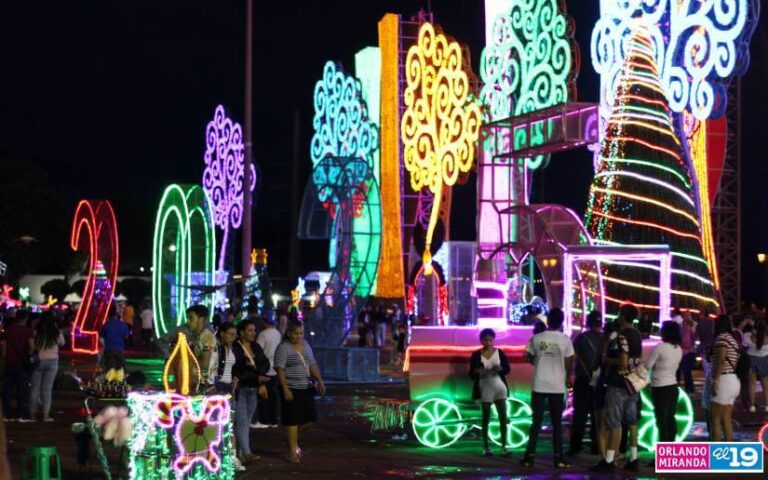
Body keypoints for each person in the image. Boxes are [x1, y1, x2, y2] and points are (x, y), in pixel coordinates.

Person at [592, 303, 643, 472]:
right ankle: (634, 457)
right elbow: (636, 358)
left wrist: (607, 359)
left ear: (622, 316)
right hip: (633, 383)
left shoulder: (622, 336)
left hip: (618, 383)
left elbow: (622, 361)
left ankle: (608, 461)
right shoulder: (637, 334)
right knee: (632, 421)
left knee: (614, 422)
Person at [521, 308, 574, 469]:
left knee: (536, 422)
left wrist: (538, 363)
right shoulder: (565, 340)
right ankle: (558, 458)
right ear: (561, 322)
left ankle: (529, 458)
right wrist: (566, 376)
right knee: (557, 423)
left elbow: (527, 356)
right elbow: (570, 361)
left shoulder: (536, 338)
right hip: (557, 386)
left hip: (539, 384)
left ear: (548, 320)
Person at [275, 322, 326, 463]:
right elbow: (280, 369)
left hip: (306, 387)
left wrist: (320, 380)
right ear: (289, 333)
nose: (299, 336)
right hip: (291, 387)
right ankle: (293, 451)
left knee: (310, 419)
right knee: (292, 420)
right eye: (296, 333)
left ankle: (292, 438)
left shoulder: (306, 345)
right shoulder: (283, 348)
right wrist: (285, 388)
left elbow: (312, 364)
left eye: (301, 333)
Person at [205, 322, 246, 472]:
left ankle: (232, 457)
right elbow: (211, 367)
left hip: (229, 388)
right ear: (221, 333)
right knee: (217, 425)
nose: (233, 337)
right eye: (230, 334)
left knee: (230, 425)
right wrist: (212, 385)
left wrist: (236, 378)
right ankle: (217, 458)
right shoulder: (216, 347)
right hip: (218, 387)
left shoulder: (233, 348)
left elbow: (235, 367)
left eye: (234, 335)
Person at [232, 319, 270, 463]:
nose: (253, 333)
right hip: (240, 388)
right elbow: (237, 370)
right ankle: (247, 452)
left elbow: (265, 363)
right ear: (241, 332)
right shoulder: (236, 348)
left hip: (254, 388)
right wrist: (256, 376)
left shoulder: (256, 346)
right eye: (250, 330)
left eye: (254, 330)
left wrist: (259, 377)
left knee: (246, 422)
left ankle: (242, 453)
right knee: (241, 421)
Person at [469, 328, 511, 456]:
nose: (488, 342)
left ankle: (504, 446)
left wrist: (501, 368)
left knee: (503, 417)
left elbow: (507, 369)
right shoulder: (476, 354)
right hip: (485, 386)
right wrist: (478, 371)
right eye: (485, 340)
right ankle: (486, 447)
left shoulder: (499, 352)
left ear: (493, 340)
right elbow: (471, 373)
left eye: (490, 340)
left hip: (499, 385)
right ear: (481, 340)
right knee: (486, 417)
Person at [569, 310, 604, 456]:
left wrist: (570, 374)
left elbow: (573, 357)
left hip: (583, 379)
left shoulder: (581, 338)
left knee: (580, 415)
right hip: (601, 381)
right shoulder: (605, 339)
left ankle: (576, 446)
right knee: (598, 415)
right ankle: (596, 446)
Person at [158, 305, 216, 383]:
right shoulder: (181, 330)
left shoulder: (208, 336)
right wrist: (169, 357)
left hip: (198, 382)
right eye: (187, 318)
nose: (187, 322)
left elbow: (206, 366)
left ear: (201, 319)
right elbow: (161, 341)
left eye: (191, 318)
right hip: (184, 378)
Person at [646, 321, 683, 443]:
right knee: (670, 419)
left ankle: (662, 453)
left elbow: (647, 366)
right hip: (673, 387)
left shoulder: (660, 348)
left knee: (661, 421)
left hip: (660, 387)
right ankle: (670, 448)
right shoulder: (678, 349)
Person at [709, 315, 741, 442]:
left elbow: (721, 360)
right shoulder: (733, 339)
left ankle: (715, 454)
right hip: (733, 379)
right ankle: (729, 451)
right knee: (726, 419)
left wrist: (716, 380)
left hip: (723, 380)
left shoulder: (721, 338)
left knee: (715, 419)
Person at [29, 311, 65, 422]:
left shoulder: (36, 331)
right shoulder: (56, 332)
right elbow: (62, 343)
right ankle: (45, 415)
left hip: (38, 360)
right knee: (47, 389)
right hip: (52, 361)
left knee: (35, 388)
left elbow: (32, 345)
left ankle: (32, 415)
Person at [0, 309, 35, 421]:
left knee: (8, 389)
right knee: (22, 389)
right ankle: (21, 414)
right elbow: (31, 347)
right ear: (26, 318)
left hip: (10, 362)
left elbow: (4, 348)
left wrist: (5, 357)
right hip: (22, 363)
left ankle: (7, 414)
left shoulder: (8, 330)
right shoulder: (28, 331)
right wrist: (28, 356)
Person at [256, 313, 282, 428]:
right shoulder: (277, 333)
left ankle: (263, 420)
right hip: (275, 367)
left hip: (264, 368)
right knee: (273, 395)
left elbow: (258, 350)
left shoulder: (263, 334)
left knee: (263, 395)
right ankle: (273, 420)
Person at [745, 320, 768, 413]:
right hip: (763, 360)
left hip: (751, 360)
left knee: (752, 384)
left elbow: (744, 344)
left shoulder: (748, 336)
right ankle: (767, 405)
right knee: (765, 384)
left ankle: (752, 405)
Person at [100, 308, 130, 373]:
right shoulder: (123, 325)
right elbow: (126, 337)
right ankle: (121, 380)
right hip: (119, 348)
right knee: (121, 367)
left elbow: (101, 337)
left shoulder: (106, 325)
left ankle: (111, 381)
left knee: (110, 367)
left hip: (109, 349)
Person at [678, 315, 697, 394]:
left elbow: (687, 343)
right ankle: (690, 389)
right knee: (687, 372)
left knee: (686, 372)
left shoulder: (686, 332)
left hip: (686, 353)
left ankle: (689, 389)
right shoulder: (689, 332)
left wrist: (683, 344)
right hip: (689, 353)